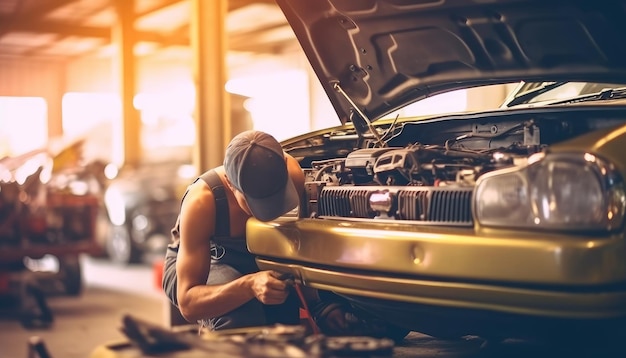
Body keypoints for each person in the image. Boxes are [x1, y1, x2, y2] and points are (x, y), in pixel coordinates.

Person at [161, 130, 354, 333]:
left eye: (277, 197)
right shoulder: (202, 202)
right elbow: (189, 303)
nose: (271, 208)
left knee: (284, 324)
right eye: (257, 201)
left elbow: (293, 249)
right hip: (206, 262)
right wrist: (249, 286)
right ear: (229, 183)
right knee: (241, 316)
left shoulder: (292, 174)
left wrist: (320, 303)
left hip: (261, 255)